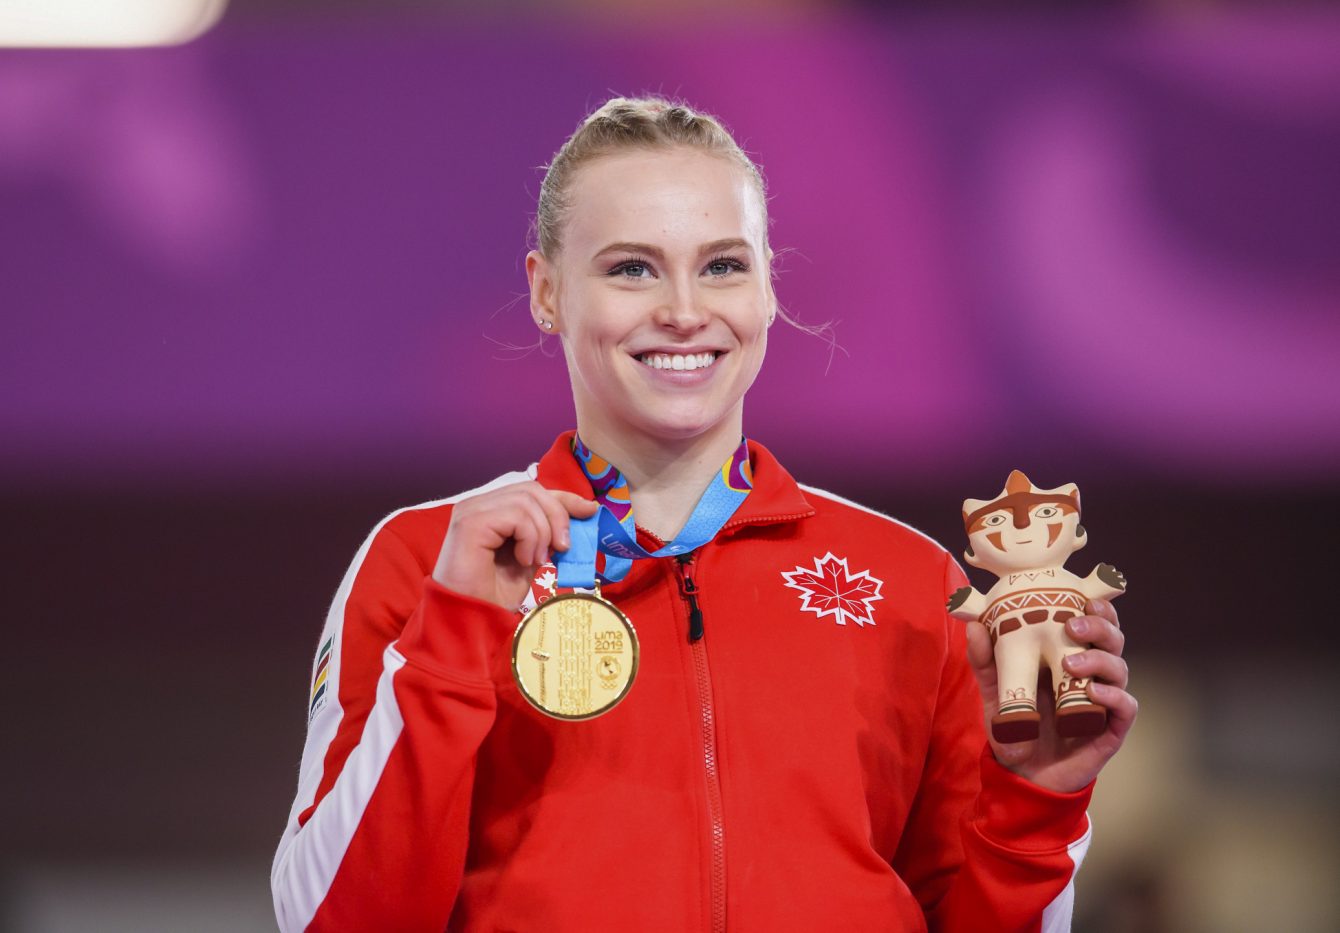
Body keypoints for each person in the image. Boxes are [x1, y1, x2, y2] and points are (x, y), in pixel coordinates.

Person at [271, 96, 1136, 932]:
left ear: (766, 291)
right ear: (545, 292)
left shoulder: (907, 581)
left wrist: (1036, 801)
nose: (685, 310)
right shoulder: (430, 557)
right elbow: (333, 922)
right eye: (630, 267)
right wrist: (453, 635)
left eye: (724, 264)